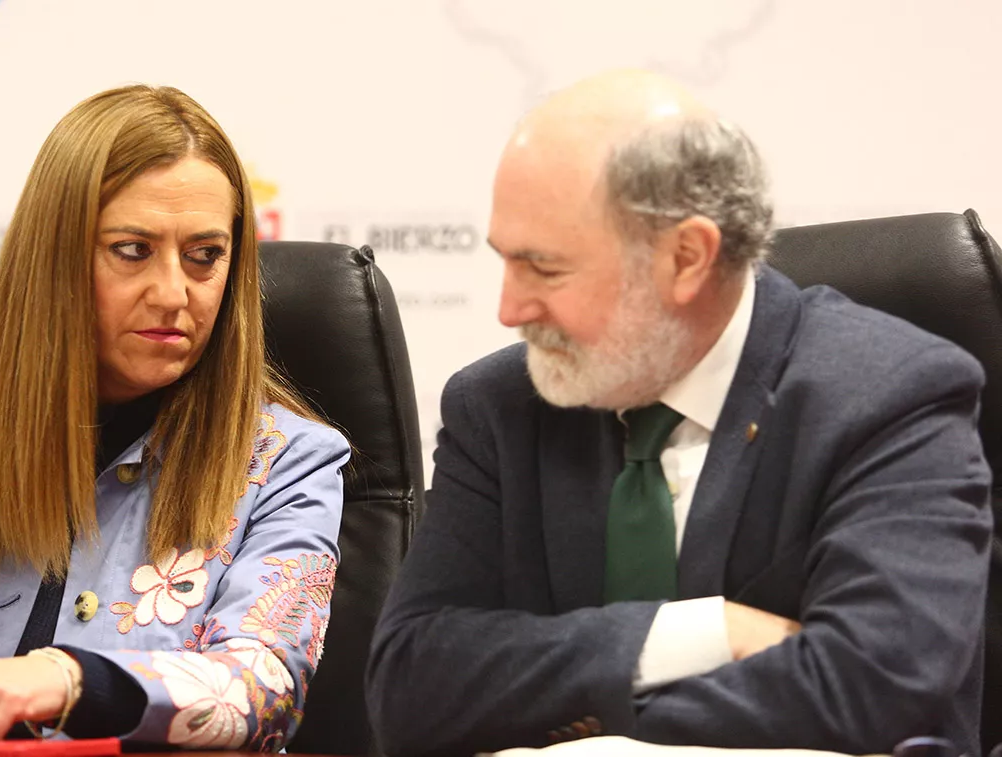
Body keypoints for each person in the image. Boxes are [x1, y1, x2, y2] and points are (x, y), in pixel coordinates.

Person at [366, 70, 993, 756]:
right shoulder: (499, 406)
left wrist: (601, 737)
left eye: (544, 269)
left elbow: (875, 682)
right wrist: (694, 633)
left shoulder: (889, 392)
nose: (509, 310)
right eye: (506, 263)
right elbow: (410, 683)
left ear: (687, 258)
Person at [0, 85, 350, 753]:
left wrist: (66, 679)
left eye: (205, 255)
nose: (175, 292)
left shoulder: (290, 457)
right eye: (132, 249)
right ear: (54, 259)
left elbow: (263, 687)